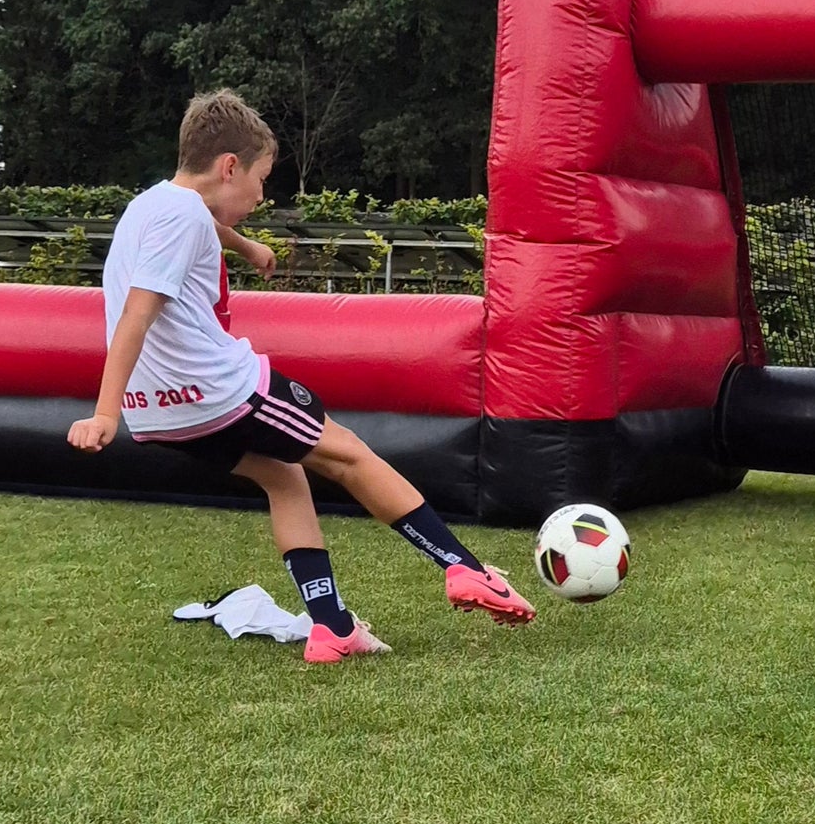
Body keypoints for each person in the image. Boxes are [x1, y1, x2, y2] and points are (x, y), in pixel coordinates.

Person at [68, 88, 535, 660]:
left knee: (284, 477)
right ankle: (464, 568)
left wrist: (244, 246)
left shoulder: (154, 205)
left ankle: (332, 628)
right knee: (351, 455)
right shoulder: (183, 216)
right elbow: (138, 312)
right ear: (229, 166)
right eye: (262, 179)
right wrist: (102, 412)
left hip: (163, 413)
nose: (262, 194)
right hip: (222, 390)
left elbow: (198, 224)